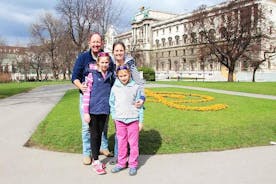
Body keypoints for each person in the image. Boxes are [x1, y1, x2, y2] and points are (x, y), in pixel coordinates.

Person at [71, 33, 112, 165]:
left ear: (102, 43)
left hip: (102, 97)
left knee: (104, 125)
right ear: (89, 43)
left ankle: (104, 147)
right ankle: (87, 153)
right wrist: (80, 86)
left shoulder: (106, 57)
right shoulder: (83, 57)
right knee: (86, 126)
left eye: (98, 42)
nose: (96, 44)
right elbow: (74, 77)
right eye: (93, 42)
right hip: (87, 96)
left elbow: (112, 75)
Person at [109, 41, 146, 165]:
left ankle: (130, 160)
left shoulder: (130, 65)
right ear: (113, 52)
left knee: (131, 137)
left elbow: (140, 84)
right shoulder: (111, 65)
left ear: (124, 51)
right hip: (118, 103)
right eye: (116, 51)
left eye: (121, 50)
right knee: (119, 134)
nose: (119, 53)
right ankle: (119, 158)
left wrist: (142, 98)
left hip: (130, 102)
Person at [83, 52, 115, 175]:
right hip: (93, 111)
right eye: (102, 62)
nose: (105, 64)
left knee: (100, 134)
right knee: (94, 135)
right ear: (98, 63)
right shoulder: (91, 75)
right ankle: (95, 161)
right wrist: (86, 112)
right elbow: (87, 94)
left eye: (107, 62)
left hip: (104, 110)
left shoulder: (110, 76)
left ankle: (96, 159)